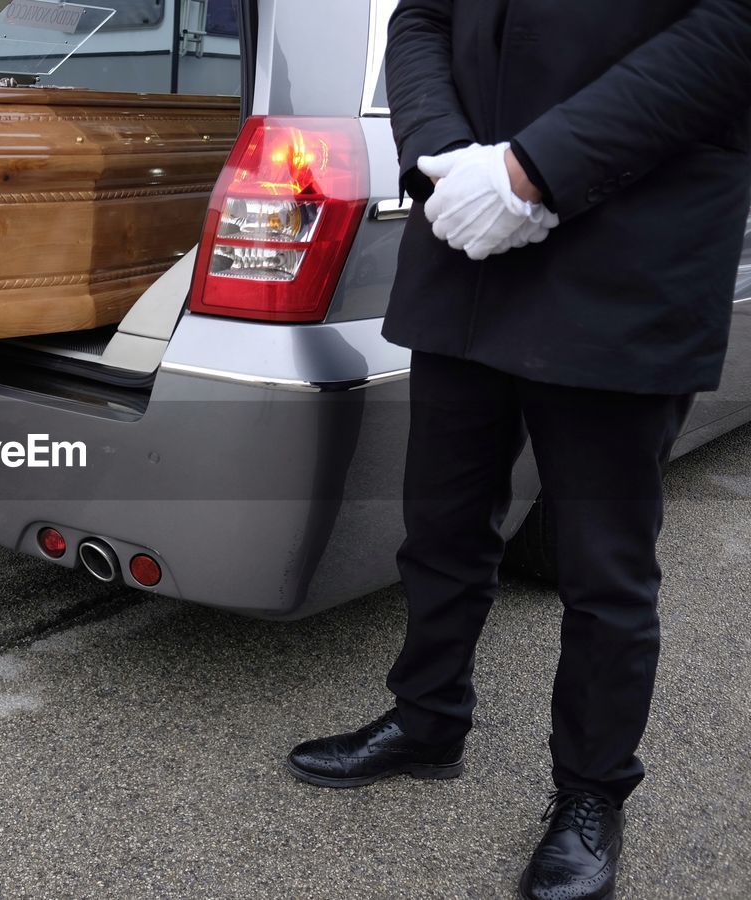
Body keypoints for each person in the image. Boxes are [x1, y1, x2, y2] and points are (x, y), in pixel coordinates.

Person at [285, 1, 751, 898]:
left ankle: (591, 792)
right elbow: (420, 16)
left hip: (628, 247)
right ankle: (427, 721)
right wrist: (443, 159)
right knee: (441, 524)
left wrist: (533, 172)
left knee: (602, 566)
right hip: (467, 240)